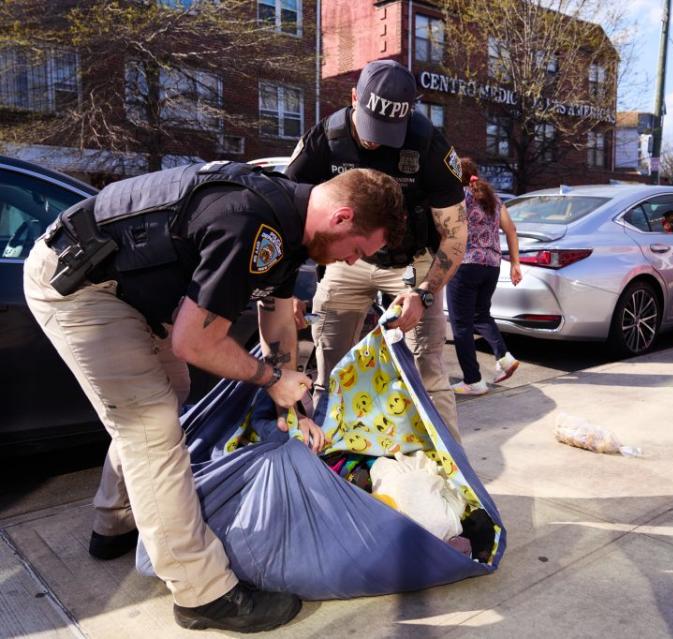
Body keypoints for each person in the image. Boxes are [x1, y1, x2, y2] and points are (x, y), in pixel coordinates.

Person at [23, 162, 404, 632]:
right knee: (151, 425)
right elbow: (195, 343)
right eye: (358, 250)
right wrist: (269, 379)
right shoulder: (251, 220)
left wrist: (294, 401)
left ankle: (115, 521)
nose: (351, 262)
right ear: (342, 217)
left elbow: (278, 318)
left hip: (129, 287)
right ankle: (202, 593)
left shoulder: (289, 225)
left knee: (172, 397)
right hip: (80, 284)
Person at [285, 59, 467, 438]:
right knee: (330, 364)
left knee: (428, 368)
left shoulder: (430, 146)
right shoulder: (324, 139)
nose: (376, 140)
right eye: (370, 125)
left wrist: (424, 294)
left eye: (388, 130)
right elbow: (287, 212)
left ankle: (456, 476)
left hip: (412, 262)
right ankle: (329, 460)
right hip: (346, 261)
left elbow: (455, 236)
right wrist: (286, 291)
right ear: (354, 97)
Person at [446, 157, 522, 395]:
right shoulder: (494, 199)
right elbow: (512, 230)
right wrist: (515, 264)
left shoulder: (459, 197)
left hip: (466, 265)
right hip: (492, 266)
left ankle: (473, 380)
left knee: (461, 324)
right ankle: (505, 357)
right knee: (480, 315)